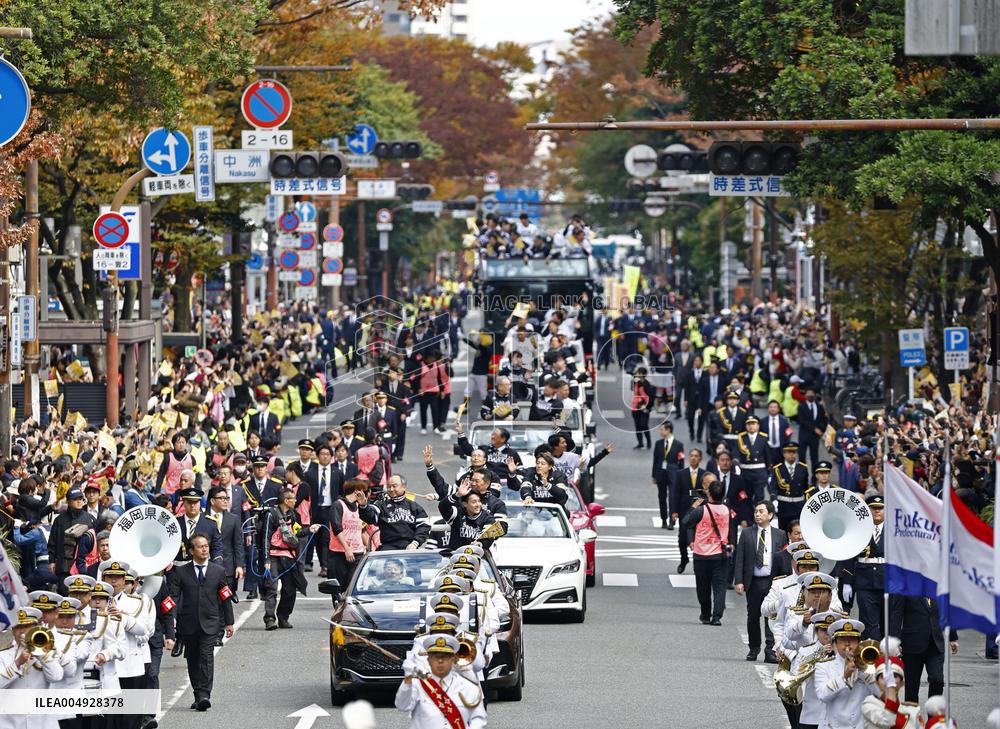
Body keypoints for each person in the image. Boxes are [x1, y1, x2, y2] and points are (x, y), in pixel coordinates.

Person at [168, 533, 235, 712]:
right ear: (191, 551)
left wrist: (229, 622)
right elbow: (174, 596)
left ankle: (204, 694)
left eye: (206, 546)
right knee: (192, 659)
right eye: (200, 546)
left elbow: (225, 597)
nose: (204, 549)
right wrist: (172, 617)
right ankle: (198, 694)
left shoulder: (218, 571)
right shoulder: (181, 572)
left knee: (206, 657)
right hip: (188, 623)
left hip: (211, 622)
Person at [734, 500, 789, 663]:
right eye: (756, 511)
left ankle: (770, 650)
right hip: (754, 581)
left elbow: (784, 559)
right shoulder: (747, 533)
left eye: (761, 511)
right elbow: (740, 558)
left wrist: (785, 580)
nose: (757, 514)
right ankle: (754, 647)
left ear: (770, 515)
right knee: (753, 616)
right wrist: (739, 581)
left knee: (771, 616)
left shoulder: (780, 534)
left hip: (772, 582)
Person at [395, 634, 487, 729]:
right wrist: (408, 680)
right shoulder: (418, 685)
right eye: (436, 657)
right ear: (428, 660)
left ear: (453, 660)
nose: (440, 661)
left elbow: (479, 717)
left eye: (445, 657)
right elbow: (402, 706)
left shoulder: (468, 686)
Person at [682, 475, 734, 626]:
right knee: (719, 587)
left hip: (701, 555)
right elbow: (731, 528)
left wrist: (694, 506)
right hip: (720, 554)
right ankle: (717, 617)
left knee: (703, 587)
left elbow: (686, 522)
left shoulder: (701, 510)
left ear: (709, 494)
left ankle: (706, 614)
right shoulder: (727, 510)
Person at [259, 488, 313, 630]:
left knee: (290, 589)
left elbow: (296, 532)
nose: (296, 501)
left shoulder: (293, 515)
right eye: (293, 499)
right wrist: (266, 559)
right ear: (286, 500)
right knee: (272, 587)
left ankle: (283, 617)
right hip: (273, 556)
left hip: (288, 556)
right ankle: (270, 618)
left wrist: (310, 530)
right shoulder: (271, 515)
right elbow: (266, 538)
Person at [888, 595, 957, 705]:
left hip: (935, 644)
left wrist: (953, 637)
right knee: (911, 689)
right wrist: (895, 641)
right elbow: (897, 614)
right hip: (912, 645)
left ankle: (934, 719)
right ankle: (912, 719)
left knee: (937, 680)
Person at [814, 619, 879, 729]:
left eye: (852, 639)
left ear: (859, 643)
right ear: (835, 643)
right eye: (843, 639)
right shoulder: (823, 666)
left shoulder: (870, 665)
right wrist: (844, 677)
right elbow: (822, 695)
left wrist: (863, 671)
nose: (847, 644)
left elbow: (883, 694)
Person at [840, 494, 886, 641]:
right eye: (873, 508)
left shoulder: (894, 530)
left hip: (888, 580)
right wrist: (847, 581)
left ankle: (886, 656)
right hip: (864, 581)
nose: (877, 511)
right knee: (868, 621)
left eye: (880, 508)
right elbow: (849, 555)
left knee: (887, 622)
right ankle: (873, 653)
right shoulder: (859, 529)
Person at [362, 475, 430, 550]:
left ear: (403, 487)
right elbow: (370, 517)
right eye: (388, 486)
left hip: (410, 547)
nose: (391, 489)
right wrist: (363, 506)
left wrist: (415, 543)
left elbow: (424, 526)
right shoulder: (380, 505)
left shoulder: (415, 507)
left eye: (394, 486)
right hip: (388, 547)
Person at [327, 480, 370, 590]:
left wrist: (371, 548)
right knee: (339, 587)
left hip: (357, 552)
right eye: (363, 491)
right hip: (340, 552)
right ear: (357, 491)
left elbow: (363, 530)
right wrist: (347, 548)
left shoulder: (360, 508)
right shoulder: (338, 505)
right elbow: (337, 529)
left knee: (353, 586)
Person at [860, 656, 921, 729]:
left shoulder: (913, 711)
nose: (888, 680)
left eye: (894, 676)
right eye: (883, 677)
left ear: (902, 683)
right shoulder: (869, 704)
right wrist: (891, 687)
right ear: (877, 683)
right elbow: (887, 721)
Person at [673, 448, 707, 573]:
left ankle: (698, 563)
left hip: (700, 511)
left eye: (696, 456)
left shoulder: (704, 474)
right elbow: (675, 493)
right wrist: (674, 511)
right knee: (682, 539)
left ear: (700, 458)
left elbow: (706, 493)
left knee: (697, 538)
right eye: (691, 455)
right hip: (684, 511)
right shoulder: (681, 473)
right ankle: (684, 559)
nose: (693, 458)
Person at [652, 421, 685, 529]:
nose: (660, 431)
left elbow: (681, 461)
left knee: (672, 498)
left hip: (674, 474)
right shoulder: (658, 443)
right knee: (661, 497)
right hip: (661, 473)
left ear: (668, 430)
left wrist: (681, 476)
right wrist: (654, 475)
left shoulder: (678, 444)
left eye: (662, 429)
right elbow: (655, 460)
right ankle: (663, 519)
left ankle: (672, 520)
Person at [770, 442, 810, 530]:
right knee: (783, 533)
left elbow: (806, 488)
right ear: (784, 454)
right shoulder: (778, 469)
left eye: (794, 452)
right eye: (789, 452)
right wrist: (774, 501)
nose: (792, 454)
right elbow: (773, 487)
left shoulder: (803, 468)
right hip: (783, 506)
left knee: (798, 533)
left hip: (798, 506)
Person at [630, 366, 656, 449]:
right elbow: (632, 390)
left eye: (638, 373)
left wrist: (647, 407)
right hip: (635, 407)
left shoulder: (647, 385)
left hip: (644, 409)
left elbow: (651, 397)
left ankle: (648, 442)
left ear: (642, 374)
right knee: (637, 426)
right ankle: (640, 443)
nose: (636, 374)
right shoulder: (636, 383)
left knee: (644, 425)